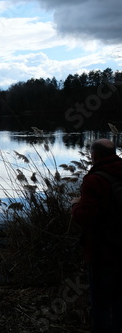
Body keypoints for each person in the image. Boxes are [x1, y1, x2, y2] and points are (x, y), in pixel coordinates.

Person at [71, 138, 122, 333]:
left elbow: (85, 217)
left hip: (103, 253)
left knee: (100, 304)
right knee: (120, 300)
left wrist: (75, 205)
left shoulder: (94, 180)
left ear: (94, 155)